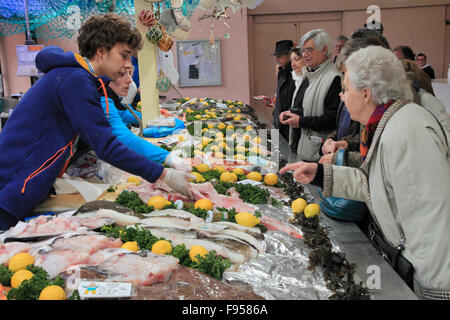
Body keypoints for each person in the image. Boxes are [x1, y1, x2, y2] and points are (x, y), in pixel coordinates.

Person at [280, 46, 450, 299]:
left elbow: (432, 220)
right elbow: (377, 183)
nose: (341, 96)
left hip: (431, 280)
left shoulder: (407, 131)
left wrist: (434, 292)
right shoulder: (386, 123)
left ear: (366, 94)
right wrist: (319, 173)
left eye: (346, 89)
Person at [0, 14, 194, 230]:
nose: (128, 65)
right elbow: (106, 146)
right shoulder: (75, 80)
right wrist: (164, 174)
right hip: (9, 192)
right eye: (124, 55)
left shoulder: (78, 78)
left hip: (22, 188)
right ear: (101, 50)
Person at [101, 60, 192, 172]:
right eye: (122, 74)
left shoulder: (111, 96)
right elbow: (121, 135)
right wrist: (166, 157)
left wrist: (154, 120)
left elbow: (123, 113)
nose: (130, 80)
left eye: (130, 74)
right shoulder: (101, 97)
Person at [279, 29, 341, 161]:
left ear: (324, 50)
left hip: (317, 154)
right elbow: (304, 106)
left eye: (309, 50)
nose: (305, 54)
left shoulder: (333, 78)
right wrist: (289, 113)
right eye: (303, 50)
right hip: (301, 147)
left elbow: (332, 118)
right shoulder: (309, 73)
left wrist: (300, 122)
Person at [271, 40, 295, 142]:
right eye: (276, 56)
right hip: (279, 122)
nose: (277, 59)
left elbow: (290, 100)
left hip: (287, 125)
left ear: (289, 56)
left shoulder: (293, 74)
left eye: (280, 56)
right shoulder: (282, 72)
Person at [286, 47, 306, 152]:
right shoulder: (296, 79)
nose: (293, 64)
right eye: (291, 61)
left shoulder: (307, 80)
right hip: (295, 132)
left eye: (296, 59)